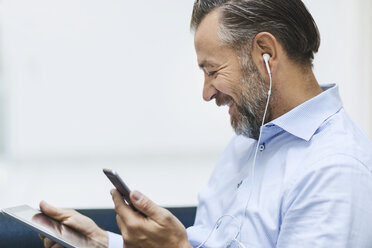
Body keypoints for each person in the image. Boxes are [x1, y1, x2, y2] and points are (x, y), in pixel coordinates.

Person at [39, 0, 372, 247]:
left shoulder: (336, 169)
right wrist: (104, 242)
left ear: (266, 53)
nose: (206, 92)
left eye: (212, 71)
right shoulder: (248, 141)